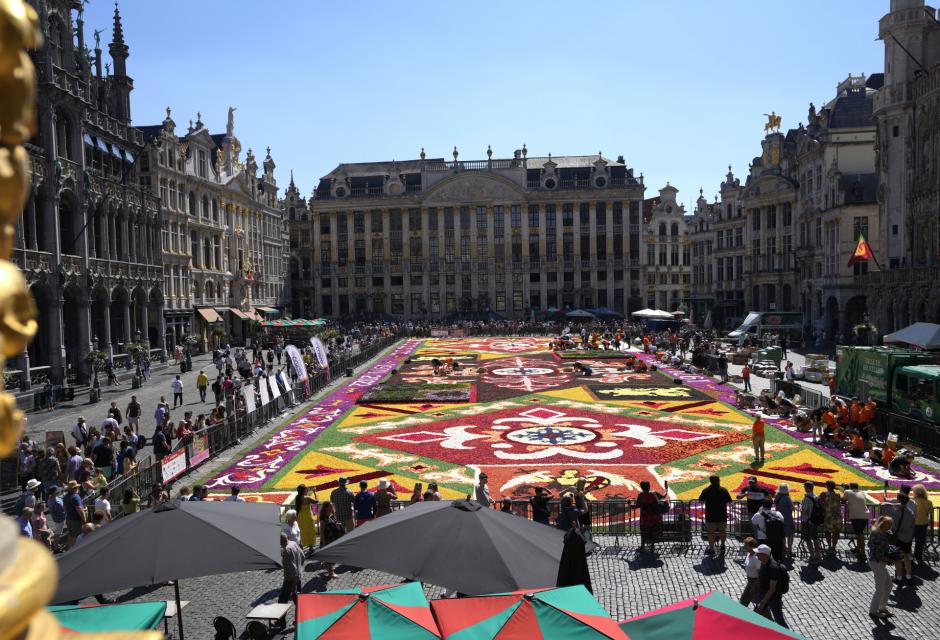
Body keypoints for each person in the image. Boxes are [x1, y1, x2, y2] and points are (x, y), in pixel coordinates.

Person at [754, 544, 788, 627]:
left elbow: (772, 589)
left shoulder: (773, 568)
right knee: (756, 615)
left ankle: (787, 635)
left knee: (779, 620)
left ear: (765, 555)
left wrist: (762, 603)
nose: (756, 555)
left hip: (773, 598)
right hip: (763, 594)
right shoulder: (763, 562)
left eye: (758, 553)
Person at [868, 515, 895, 619]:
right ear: (882, 525)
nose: (890, 527)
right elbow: (876, 552)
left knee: (888, 585)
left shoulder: (884, 534)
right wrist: (889, 559)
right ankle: (873, 611)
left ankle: (882, 607)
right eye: (888, 524)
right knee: (879, 589)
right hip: (877, 563)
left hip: (880, 563)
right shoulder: (877, 535)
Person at [698, 475, 732, 556]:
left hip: (710, 515)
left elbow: (700, 501)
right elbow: (729, 501)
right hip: (722, 514)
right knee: (722, 531)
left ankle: (712, 549)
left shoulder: (706, 490)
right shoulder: (723, 490)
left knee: (710, 533)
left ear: (710, 481)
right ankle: (722, 545)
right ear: (718, 481)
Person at [891, 485, 916, 584]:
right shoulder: (910, 512)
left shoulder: (897, 513)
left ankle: (899, 577)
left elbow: (894, 527)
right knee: (907, 557)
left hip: (899, 538)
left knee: (898, 558)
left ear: (899, 501)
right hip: (908, 538)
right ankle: (909, 576)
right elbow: (913, 525)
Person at [636, 480, 664, 554]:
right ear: (649, 487)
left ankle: (642, 547)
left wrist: (631, 505)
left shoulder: (641, 495)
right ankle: (652, 546)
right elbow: (658, 503)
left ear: (641, 488)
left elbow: (637, 505)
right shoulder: (653, 495)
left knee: (644, 532)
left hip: (644, 517)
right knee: (652, 532)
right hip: (653, 517)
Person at [844, 482, 869, 562]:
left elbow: (843, 500)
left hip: (856, 515)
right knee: (859, 533)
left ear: (850, 487)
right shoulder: (862, 492)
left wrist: (845, 490)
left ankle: (863, 552)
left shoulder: (847, 492)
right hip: (865, 515)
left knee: (859, 534)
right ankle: (858, 548)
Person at [319, 501, 343, 579]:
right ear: (326, 508)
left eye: (332, 506)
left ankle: (329, 568)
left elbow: (335, 523)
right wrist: (323, 542)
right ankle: (331, 573)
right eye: (330, 506)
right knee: (329, 556)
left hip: (333, 539)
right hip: (327, 540)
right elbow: (322, 531)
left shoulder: (332, 516)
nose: (332, 507)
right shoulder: (323, 519)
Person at [801, 481, 823, 564]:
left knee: (808, 539)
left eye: (805, 487)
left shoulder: (806, 498)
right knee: (815, 538)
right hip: (814, 521)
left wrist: (801, 511)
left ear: (808, 488)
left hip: (807, 521)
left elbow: (804, 511)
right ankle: (818, 556)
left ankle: (812, 556)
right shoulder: (816, 496)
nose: (804, 488)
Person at [279, 532, 304, 605]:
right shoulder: (293, 543)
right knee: (298, 600)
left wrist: (294, 587)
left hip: (290, 580)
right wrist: (299, 569)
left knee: (282, 602)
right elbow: (303, 557)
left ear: (280, 541)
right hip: (298, 578)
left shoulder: (286, 551)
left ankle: (282, 616)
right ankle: (302, 614)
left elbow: (293, 571)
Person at [820, 480, 843, 556]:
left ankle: (829, 547)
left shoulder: (824, 494)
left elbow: (821, 504)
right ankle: (833, 547)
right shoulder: (838, 495)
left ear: (828, 486)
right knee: (836, 533)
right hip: (837, 517)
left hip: (828, 516)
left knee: (828, 532)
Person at [912, 484, 933, 563]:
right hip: (923, 524)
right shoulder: (928, 502)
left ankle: (909, 557)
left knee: (909, 540)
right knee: (920, 542)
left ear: (916, 492)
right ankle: (918, 556)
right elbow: (930, 511)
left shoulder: (912, 500)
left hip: (913, 524)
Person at [773, 484, 795, 559]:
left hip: (779, 518)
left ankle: (784, 549)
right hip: (788, 518)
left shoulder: (777, 497)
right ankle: (789, 550)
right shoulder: (787, 498)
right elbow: (792, 508)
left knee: (782, 535)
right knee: (790, 535)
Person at [294, 484, 318, 553]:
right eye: (306, 489)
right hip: (307, 517)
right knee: (310, 531)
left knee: (302, 532)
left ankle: (301, 547)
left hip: (301, 517)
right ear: (303, 490)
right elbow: (316, 501)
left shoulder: (297, 497)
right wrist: (314, 492)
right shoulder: (307, 497)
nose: (307, 490)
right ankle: (311, 547)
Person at [740, 537, 761, 606]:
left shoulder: (756, 558)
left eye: (746, 545)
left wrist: (755, 586)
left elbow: (760, 574)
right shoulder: (749, 554)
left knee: (760, 604)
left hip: (756, 583)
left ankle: (767, 616)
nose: (744, 547)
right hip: (750, 581)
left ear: (752, 546)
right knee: (743, 601)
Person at [64, 480, 86, 546]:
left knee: (71, 535)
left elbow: (64, 508)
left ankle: (70, 550)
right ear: (74, 488)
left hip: (68, 519)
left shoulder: (65, 496)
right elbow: (79, 510)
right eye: (77, 487)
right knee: (77, 537)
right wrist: (84, 520)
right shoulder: (75, 497)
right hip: (76, 521)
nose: (78, 488)